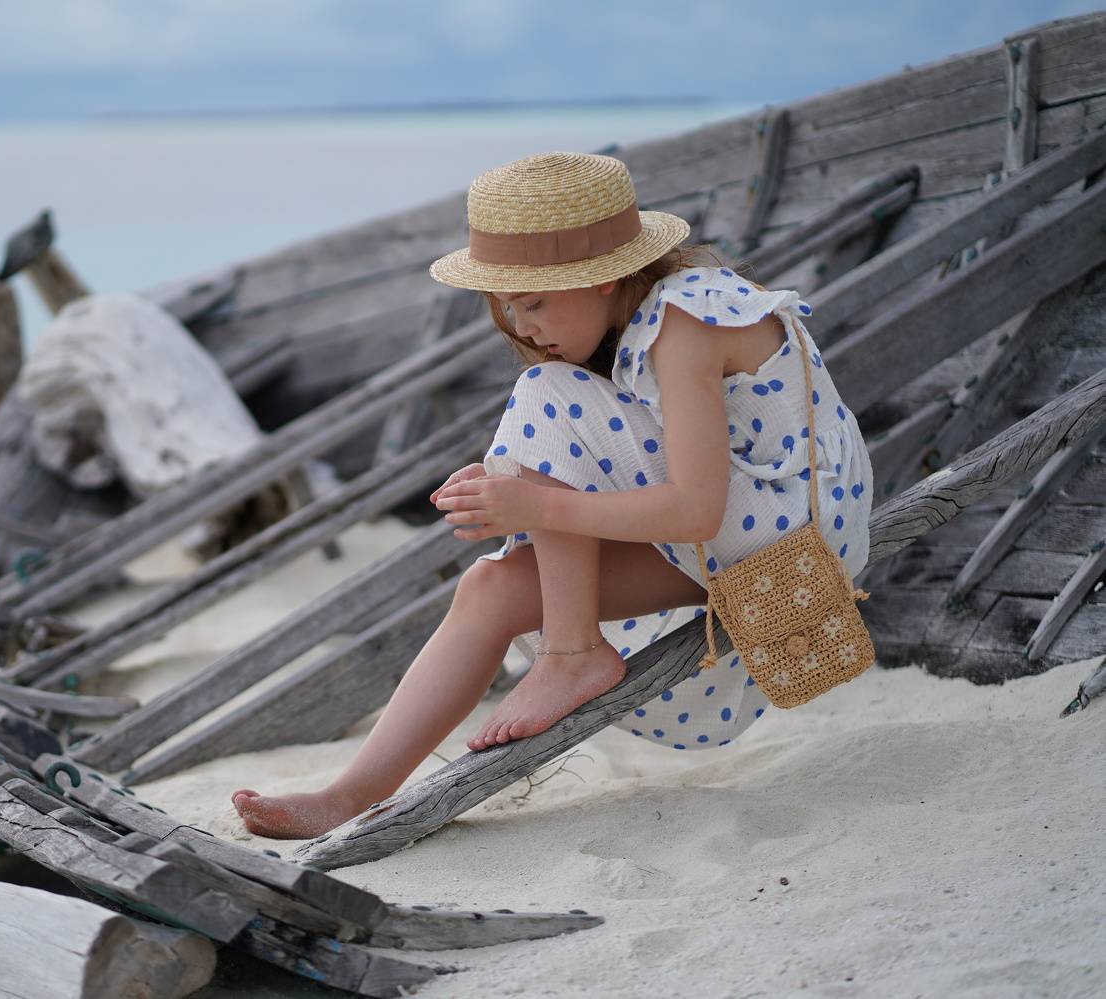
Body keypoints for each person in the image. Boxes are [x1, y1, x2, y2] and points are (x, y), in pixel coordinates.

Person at [231, 151, 873, 839]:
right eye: (509, 307)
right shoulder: (648, 320)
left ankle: (571, 653)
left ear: (604, 278)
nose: (524, 326)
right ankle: (348, 796)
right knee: (491, 589)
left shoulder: (685, 322)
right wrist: (520, 481)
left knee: (545, 393)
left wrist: (536, 503)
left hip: (796, 530)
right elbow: (663, 457)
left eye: (534, 302)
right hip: (754, 526)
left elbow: (696, 509)